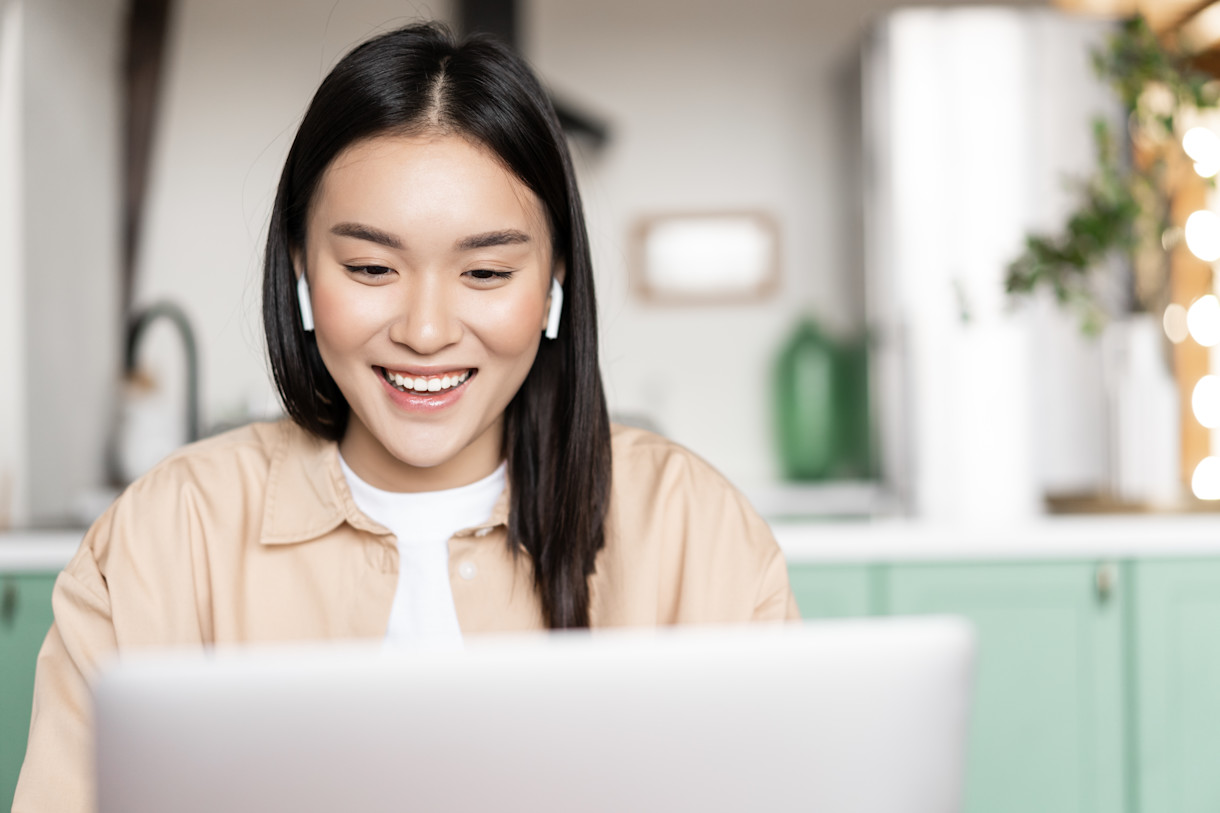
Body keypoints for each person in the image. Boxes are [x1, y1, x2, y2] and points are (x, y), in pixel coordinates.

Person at [13, 21, 799, 813]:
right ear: (300, 268)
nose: (426, 331)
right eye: (371, 268)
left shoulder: (697, 532)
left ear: (556, 279)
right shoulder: (162, 539)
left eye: (486, 271)